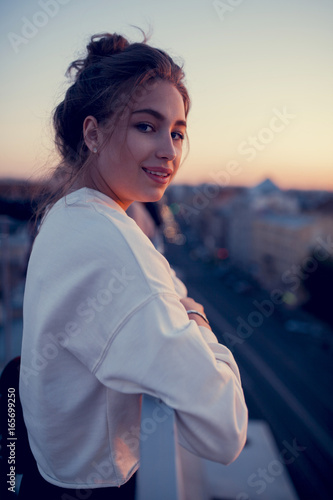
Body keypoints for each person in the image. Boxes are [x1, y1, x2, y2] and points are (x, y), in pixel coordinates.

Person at [18, 32, 248, 499]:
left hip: (42, 477)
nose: (169, 150)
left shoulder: (67, 214)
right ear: (93, 132)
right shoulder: (114, 248)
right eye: (147, 126)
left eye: (178, 132)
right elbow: (226, 429)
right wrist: (198, 316)